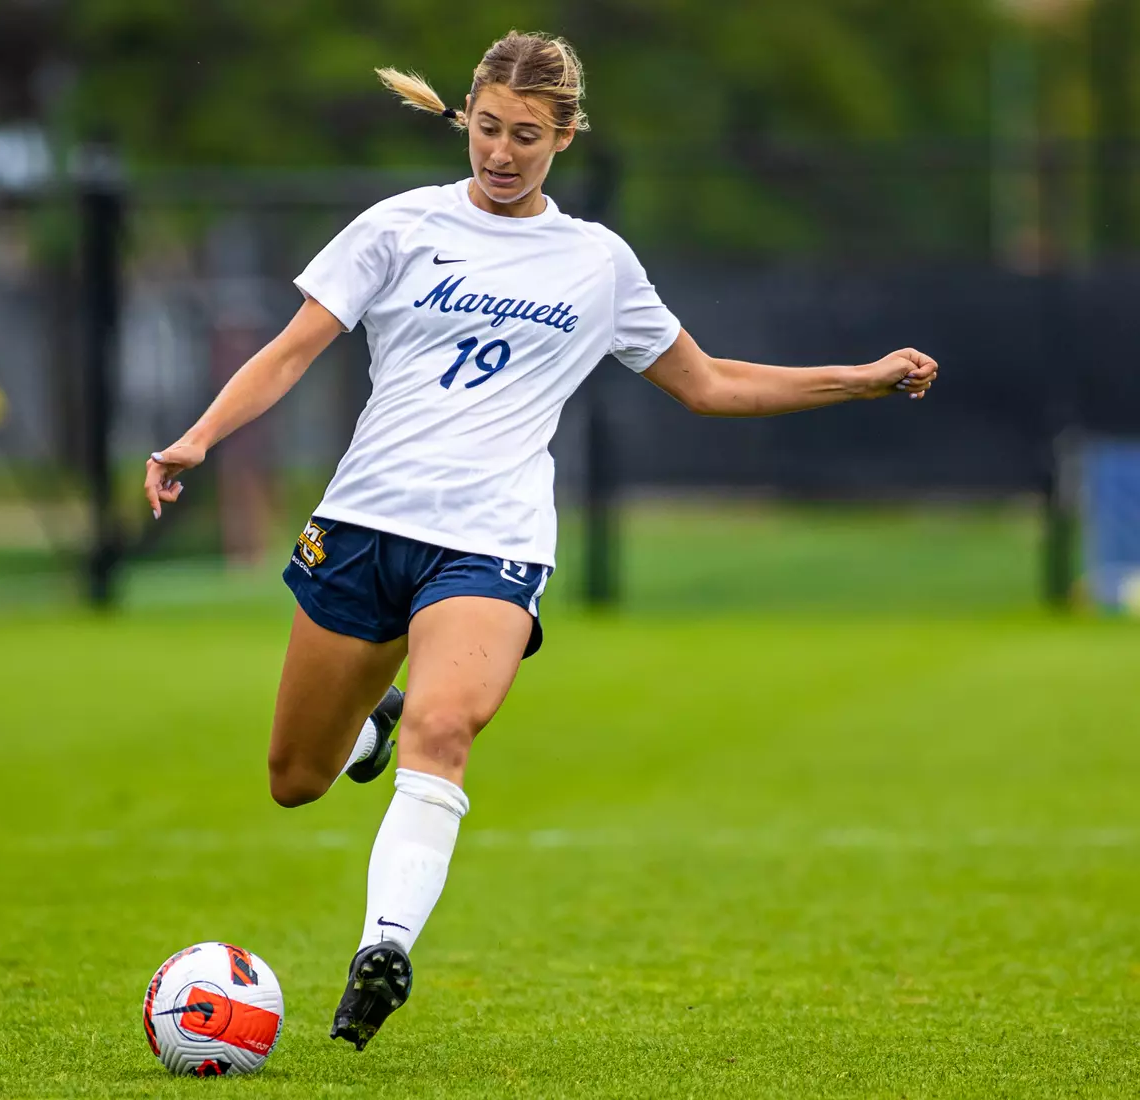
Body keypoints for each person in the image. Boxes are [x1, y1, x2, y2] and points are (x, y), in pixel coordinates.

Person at [143, 29, 939, 1052]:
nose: (502, 152)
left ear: (564, 136)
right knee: (296, 775)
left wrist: (858, 376)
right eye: (487, 128)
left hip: (490, 541)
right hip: (362, 524)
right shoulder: (398, 226)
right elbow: (293, 349)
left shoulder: (595, 262)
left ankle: (382, 947)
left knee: (447, 730)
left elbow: (708, 382)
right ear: (464, 118)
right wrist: (199, 437)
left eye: (527, 135)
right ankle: (366, 729)